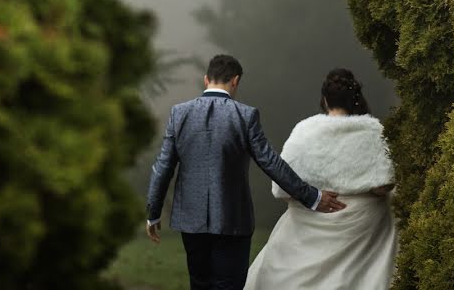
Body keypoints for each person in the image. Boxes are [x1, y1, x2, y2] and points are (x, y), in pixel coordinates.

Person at [145, 54, 347, 290]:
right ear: (235, 81)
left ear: (206, 79)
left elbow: (163, 167)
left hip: (191, 220)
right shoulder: (245, 115)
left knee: (200, 284)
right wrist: (312, 196)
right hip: (233, 220)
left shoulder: (179, 114)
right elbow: (271, 162)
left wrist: (154, 212)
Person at [244, 68, 397, 290]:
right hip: (361, 232)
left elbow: (281, 188)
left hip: (310, 221)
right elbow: (383, 186)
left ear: (325, 100)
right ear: (355, 100)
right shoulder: (372, 130)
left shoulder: (304, 131)